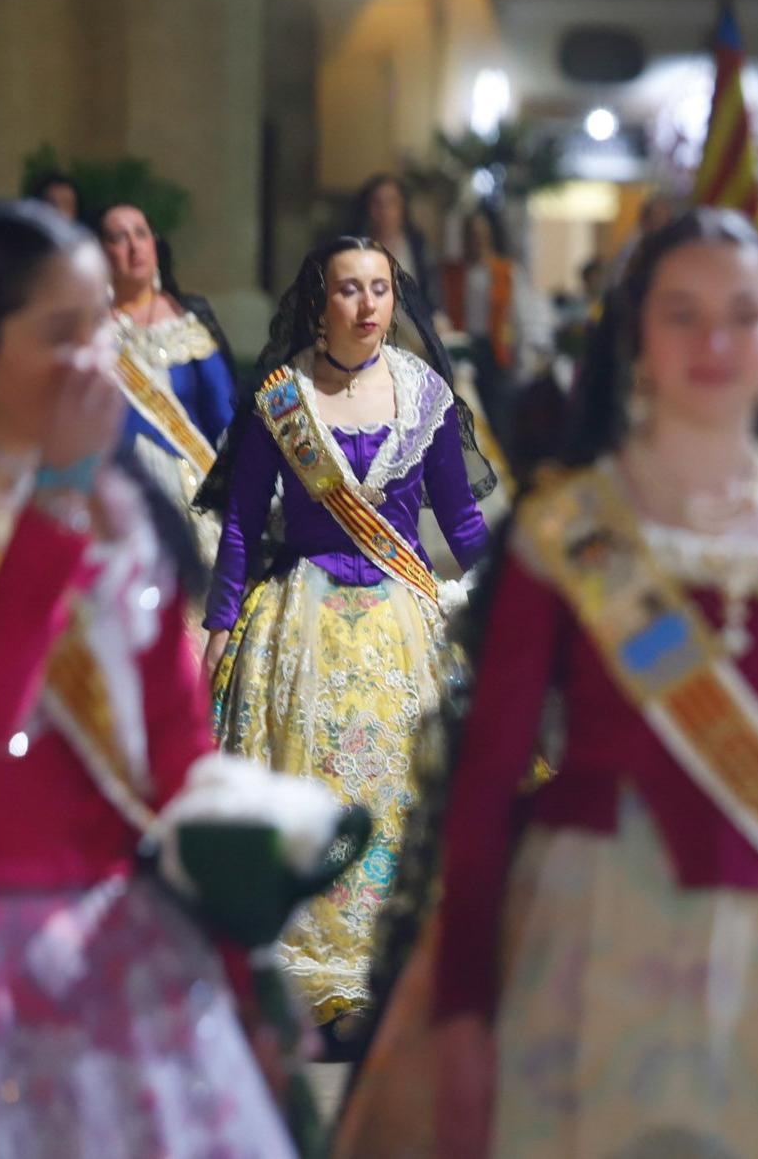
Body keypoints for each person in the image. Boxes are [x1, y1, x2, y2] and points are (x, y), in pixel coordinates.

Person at [341, 209, 758, 1157]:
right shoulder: (568, 534)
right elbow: (486, 787)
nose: (713, 341)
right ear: (636, 339)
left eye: (740, 314)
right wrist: (461, 1007)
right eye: (682, 313)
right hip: (593, 943)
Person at [0, 201, 292, 1156]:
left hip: (122, 946)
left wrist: (247, 972)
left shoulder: (124, 515)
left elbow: (179, 759)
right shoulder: (61, 511)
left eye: (99, 329)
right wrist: (57, 503)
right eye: (59, 334)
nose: (92, 361)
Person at [198, 235, 493, 1046]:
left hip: (402, 620)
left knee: (401, 792)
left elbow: (461, 520)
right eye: (349, 290)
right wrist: (222, 623)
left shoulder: (423, 394)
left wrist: (509, 600)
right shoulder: (281, 398)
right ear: (319, 300)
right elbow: (240, 525)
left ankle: (394, 964)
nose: (367, 306)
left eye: (381, 289)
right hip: (301, 622)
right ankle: (308, 967)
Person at [95, 203, 236, 562]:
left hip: (193, 494)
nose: (134, 246)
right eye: (118, 237)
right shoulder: (88, 332)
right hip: (119, 494)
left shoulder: (187, 323)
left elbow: (224, 417)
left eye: (141, 234)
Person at [437, 205, 555, 436]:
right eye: (471, 235)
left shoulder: (507, 272)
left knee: (499, 420)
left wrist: (522, 358)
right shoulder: (451, 273)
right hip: (460, 352)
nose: (476, 241)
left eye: (481, 235)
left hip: (496, 353)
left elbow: (520, 317)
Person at [352, 174, 438, 311]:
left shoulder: (416, 246)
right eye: (377, 203)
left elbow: (430, 292)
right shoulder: (355, 249)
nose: (384, 210)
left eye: (391, 202)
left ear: (402, 208)